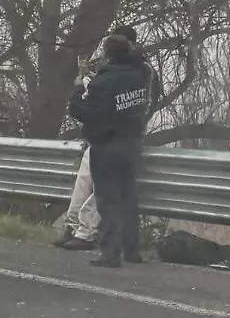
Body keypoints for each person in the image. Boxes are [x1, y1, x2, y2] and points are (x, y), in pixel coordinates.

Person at [53, 26, 161, 251]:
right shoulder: (130, 72)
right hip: (112, 138)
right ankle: (73, 227)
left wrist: (85, 90)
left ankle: (89, 234)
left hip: (111, 139)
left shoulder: (139, 72)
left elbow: (91, 107)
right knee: (85, 183)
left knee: (104, 191)